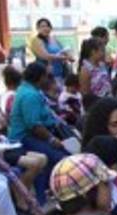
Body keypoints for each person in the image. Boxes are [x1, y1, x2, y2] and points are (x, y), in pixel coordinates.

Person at [7, 63, 71, 192]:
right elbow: (34, 126)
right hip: (25, 137)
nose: (48, 80)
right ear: (40, 77)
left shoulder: (28, 90)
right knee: (61, 159)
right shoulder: (30, 95)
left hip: (35, 134)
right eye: (46, 77)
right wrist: (52, 139)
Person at [78, 37, 113, 101]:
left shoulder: (102, 65)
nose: (104, 53)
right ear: (93, 52)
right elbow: (86, 93)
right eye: (102, 50)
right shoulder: (85, 70)